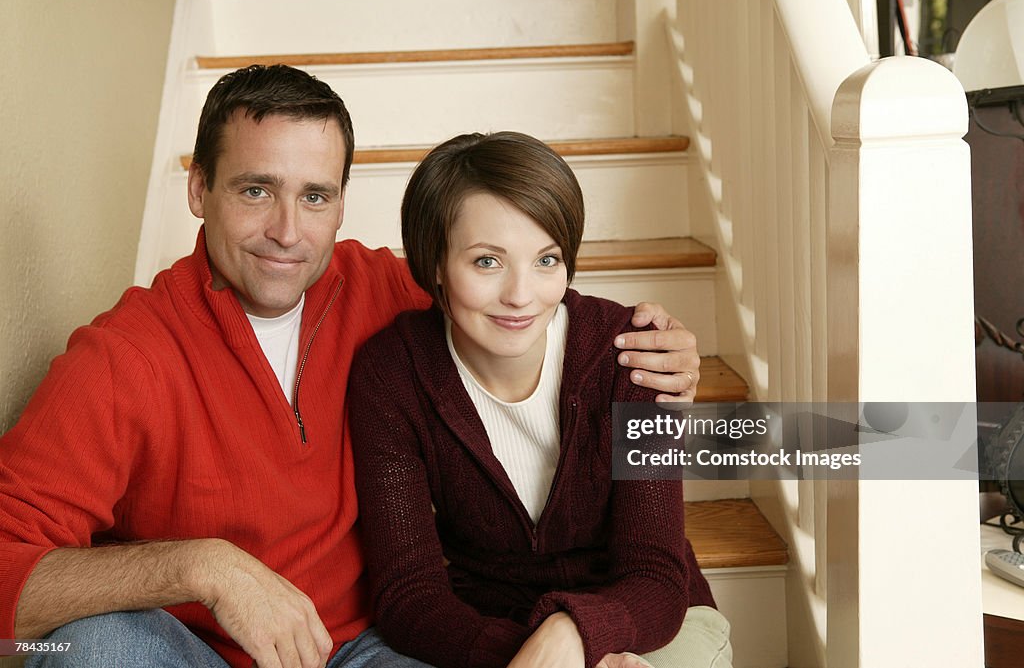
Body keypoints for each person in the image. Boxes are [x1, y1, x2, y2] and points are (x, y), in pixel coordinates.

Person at [0, 65, 703, 668]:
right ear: (197, 190)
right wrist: (200, 566)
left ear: (341, 202)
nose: (286, 230)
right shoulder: (122, 357)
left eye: (315, 196)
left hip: (364, 648)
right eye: (255, 190)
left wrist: (652, 348)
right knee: (94, 647)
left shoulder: (387, 293)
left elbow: (516, 289)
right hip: (191, 648)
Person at [348, 132, 731, 668]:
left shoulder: (633, 356)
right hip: (491, 634)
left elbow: (656, 578)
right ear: (435, 265)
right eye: (487, 262)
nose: (521, 295)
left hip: (649, 623)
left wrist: (576, 635)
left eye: (547, 260)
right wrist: (538, 655)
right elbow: (409, 596)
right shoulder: (392, 375)